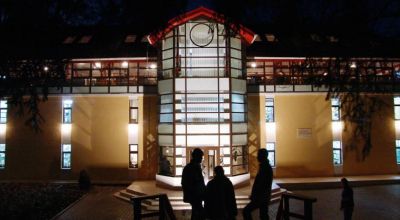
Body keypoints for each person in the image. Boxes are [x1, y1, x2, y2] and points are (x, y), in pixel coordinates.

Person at [243, 149, 273, 220]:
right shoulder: (265, 167)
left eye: (258, 155)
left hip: (261, 197)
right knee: (263, 215)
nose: (257, 157)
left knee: (246, 211)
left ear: (262, 156)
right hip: (264, 197)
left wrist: (255, 196)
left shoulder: (265, 168)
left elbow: (261, 185)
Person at [182, 148, 206, 220]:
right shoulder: (192, 168)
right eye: (201, 157)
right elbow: (189, 183)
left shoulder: (193, 167)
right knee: (199, 213)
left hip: (195, 195)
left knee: (196, 212)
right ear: (196, 157)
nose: (201, 159)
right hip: (195, 195)